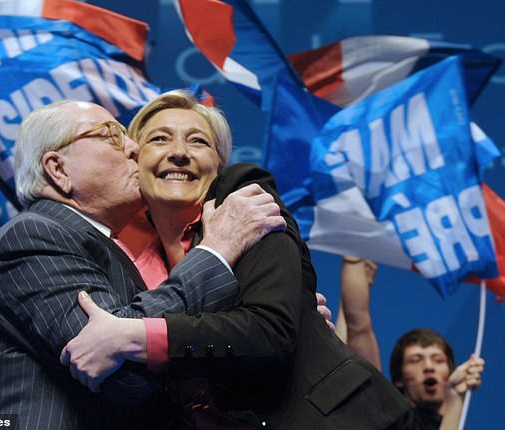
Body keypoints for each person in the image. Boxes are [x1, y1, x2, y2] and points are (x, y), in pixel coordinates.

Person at [61, 90, 410, 429]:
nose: (179, 153)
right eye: (159, 139)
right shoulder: (128, 263)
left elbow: (269, 333)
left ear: (219, 165)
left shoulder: (244, 199)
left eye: (198, 141)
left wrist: (137, 336)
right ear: (134, 162)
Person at [0, 99, 285, 429]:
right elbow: (127, 376)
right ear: (58, 169)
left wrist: (258, 313)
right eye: (111, 136)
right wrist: (217, 250)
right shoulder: (34, 236)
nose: (134, 148)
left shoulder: (97, 246)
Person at [336, 258, 485, 430]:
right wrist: (353, 258)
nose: (429, 367)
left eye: (438, 360)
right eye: (416, 360)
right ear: (398, 379)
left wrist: (456, 397)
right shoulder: (388, 419)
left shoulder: (458, 414)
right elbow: (357, 328)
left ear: (451, 374)